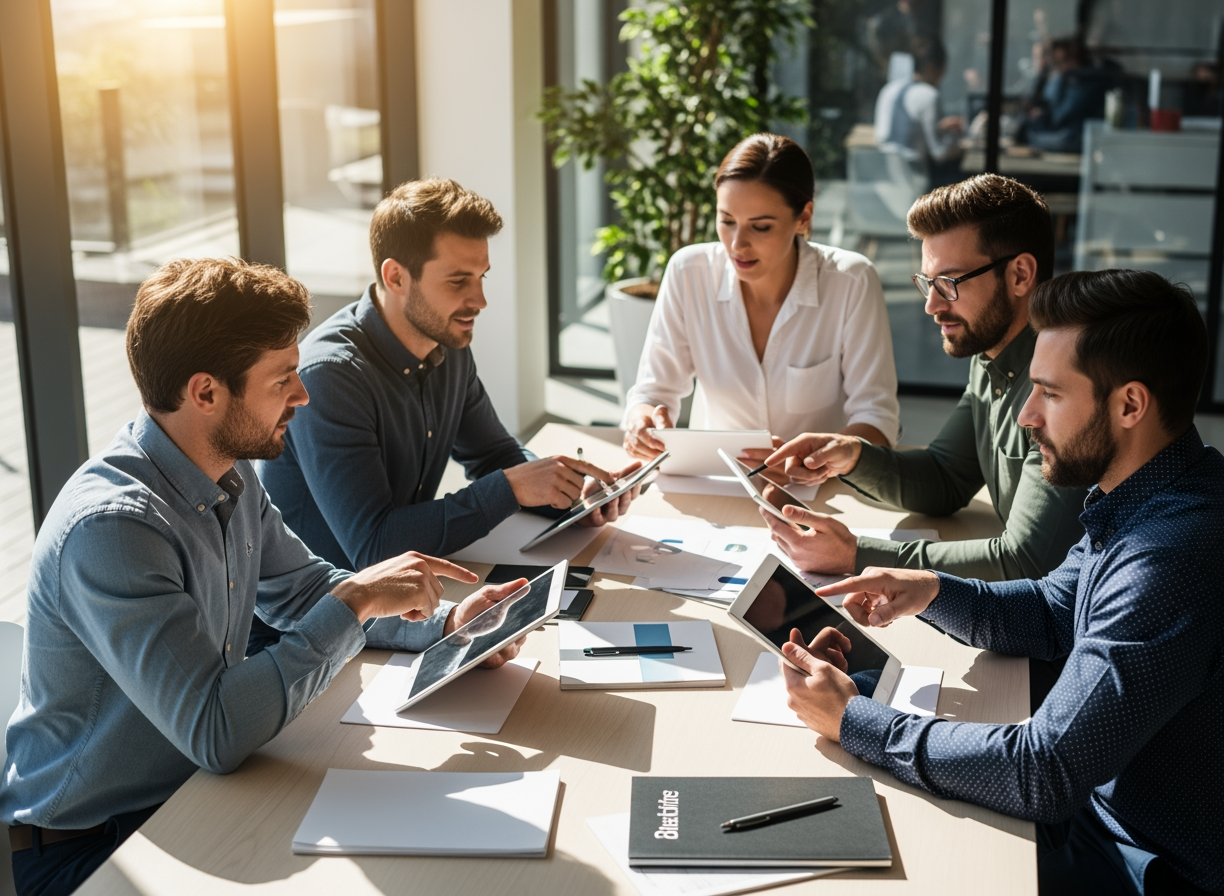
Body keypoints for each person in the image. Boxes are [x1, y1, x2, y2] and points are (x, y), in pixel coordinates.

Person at [1, 259, 531, 896]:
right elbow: (217, 731)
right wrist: (355, 600)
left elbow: (308, 593)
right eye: (283, 379)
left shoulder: (226, 471)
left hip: (195, 795)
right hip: (94, 848)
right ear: (206, 393)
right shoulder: (114, 529)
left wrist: (446, 624)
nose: (303, 396)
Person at [780, 269, 1224, 894]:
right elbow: (1052, 612)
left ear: (1130, 404)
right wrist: (930, 590)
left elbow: (1043, 772)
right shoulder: (1155, 489)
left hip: (1154, 867)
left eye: (1049, 392)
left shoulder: (1173, 555)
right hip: (1104, 817)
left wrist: (856, 721)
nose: (1026, 415)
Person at [258, 178, 639, 579]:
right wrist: (509, 488)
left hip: (399, 596)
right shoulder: (331, 376)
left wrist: (570, 496)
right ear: (396, 277)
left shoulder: (446, 346)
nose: (479, 301)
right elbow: (374, 546)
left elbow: (493, 456)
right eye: (458, 281)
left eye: (481, 277)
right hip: (325, 614)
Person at [762, 175, 1088, 583]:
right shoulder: (992, 356)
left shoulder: (1063, 385)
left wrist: (857, 555)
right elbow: (946, 477)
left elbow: (1025, 563)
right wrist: (851, 454)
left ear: (1020, 275)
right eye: (927, 283)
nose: (932, 305)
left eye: (949, 283)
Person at [623, 133, 900, 472]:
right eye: (726, 221)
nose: (738, 245)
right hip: (716, 484)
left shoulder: (851, 281)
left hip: (820, 491)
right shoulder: (688, 272)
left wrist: (825, 460)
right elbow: (652, 394)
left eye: (761, 227)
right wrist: (642, 422)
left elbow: (877, 416)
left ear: (804, 218)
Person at [873, 36, 966, 190]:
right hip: (913, 181)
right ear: (932, 67)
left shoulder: (889, 89)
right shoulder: (929, 95)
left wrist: (940, 128)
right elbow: (940, 153)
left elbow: (897, 133)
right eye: (943, 70)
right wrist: (966, 146)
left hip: (885, 178)